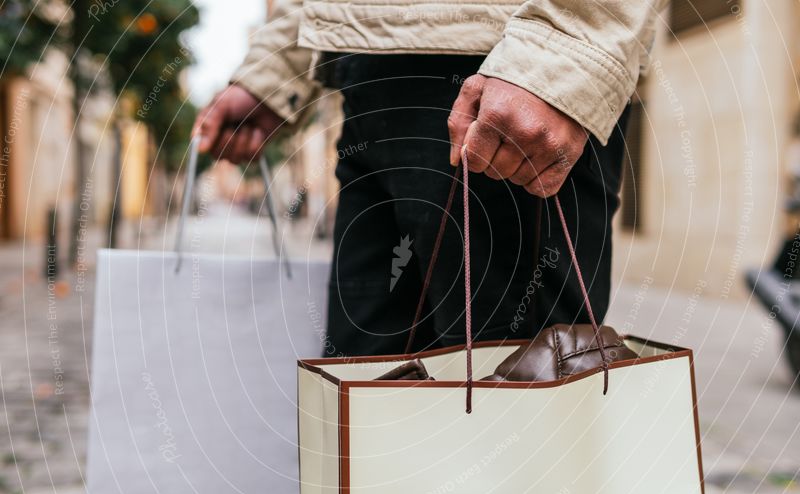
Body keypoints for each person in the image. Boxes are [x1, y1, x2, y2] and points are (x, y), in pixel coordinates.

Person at [194, 1, 667, 356]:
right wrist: (275, 67)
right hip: (364, 67)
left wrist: (561, 52)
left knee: (514, 426)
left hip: (503, 73)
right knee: (369, 424)